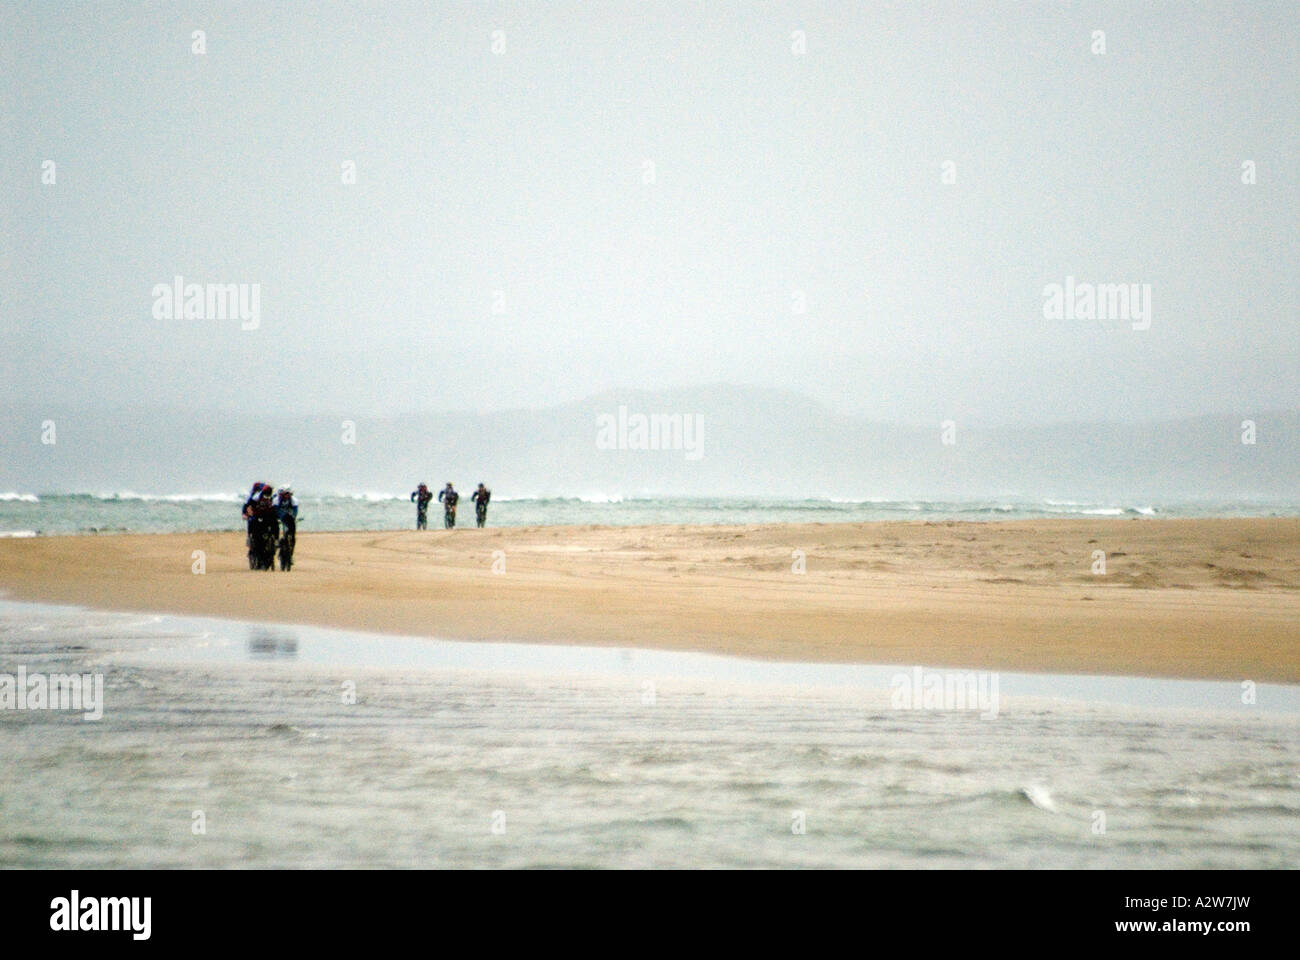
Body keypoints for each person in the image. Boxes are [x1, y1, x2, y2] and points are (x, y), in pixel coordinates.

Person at [243, 484, 279, 570]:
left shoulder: (273, 498)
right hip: (258, 516)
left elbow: (276, 508)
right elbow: (248, 506)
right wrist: (247, 514)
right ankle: (254, 547)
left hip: (268, 516)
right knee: (256, 533)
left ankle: (276, 540)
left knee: (275, 524)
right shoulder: (256, 497)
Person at [275, 487, 299, 571]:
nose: (286, 495)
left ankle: (290, 554)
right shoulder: (276, 500)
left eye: (287, 494)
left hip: (289, 518)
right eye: (284, 494)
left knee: (292, 536)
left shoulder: (293, 500)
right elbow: (276, 510)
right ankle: (277, 541)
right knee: (274, 525)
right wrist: (280, 517)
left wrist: (293, 516)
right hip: (280, 516)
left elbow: (295, 511)